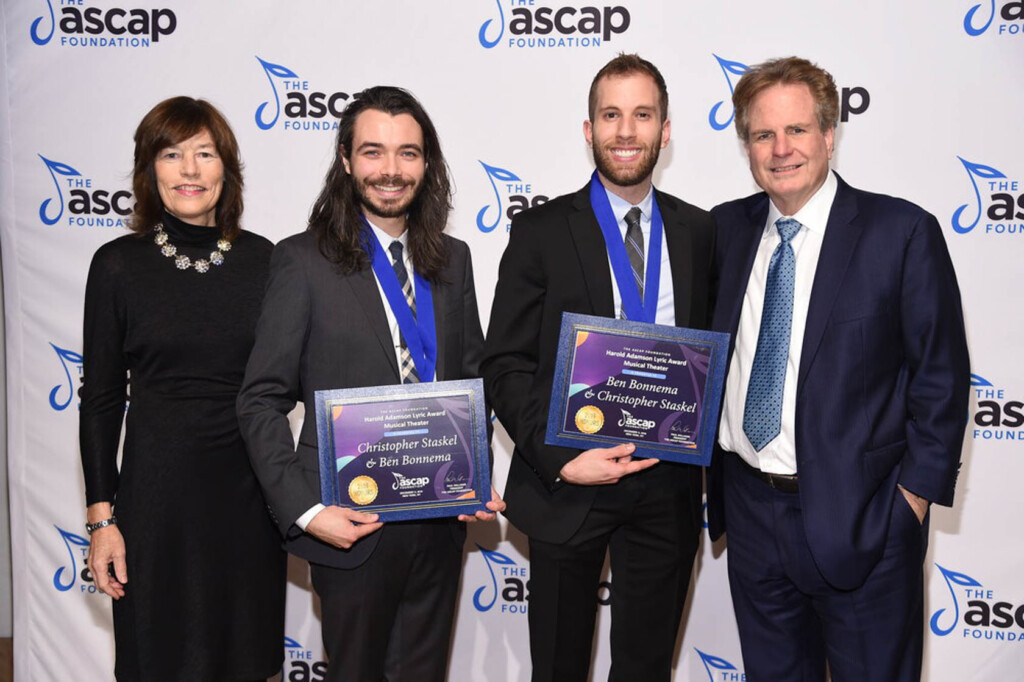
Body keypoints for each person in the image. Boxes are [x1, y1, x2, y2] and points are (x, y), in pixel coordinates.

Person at [706, 56, 970, 681]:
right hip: (750, 515)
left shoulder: (901, 233)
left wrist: (908, 506)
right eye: (763, 134)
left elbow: (941, 378)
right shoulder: (723, 231)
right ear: (746, 144)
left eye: (797, 130)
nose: (781, 149)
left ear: (829, 134)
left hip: (867, 524)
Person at [236, 85, 503, 682]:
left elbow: (472, 380)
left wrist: (473, 473)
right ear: (347, 161)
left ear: (426, 164)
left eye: (408, 153)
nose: (390, 170)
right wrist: (305, 511)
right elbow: (259, 401)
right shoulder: (302, 261)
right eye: (374, 152)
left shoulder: (452, 259)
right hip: (348, 524)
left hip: (438, 522)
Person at [482, 54, 715, 682]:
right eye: (610, 115)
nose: (625, 131)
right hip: (567, 484)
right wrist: (562, 459)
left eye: (642, 115)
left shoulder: (701, 232)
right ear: (588, 129)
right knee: (558, 666)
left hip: (666, 488)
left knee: (646, 670)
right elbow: (504, 362)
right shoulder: (539, 230)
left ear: (666, 131)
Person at [80, 96, 285, 681]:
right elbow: (99, 400)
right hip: (155, 505)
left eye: (205, 153)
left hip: (248, 501)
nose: (190, 170)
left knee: (243, 661)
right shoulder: (118, 265)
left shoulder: (266, 261)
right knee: (159, 661)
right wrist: (102, 522)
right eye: (172, 154)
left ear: (228, 169)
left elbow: (289, 383)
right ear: (150, 170)